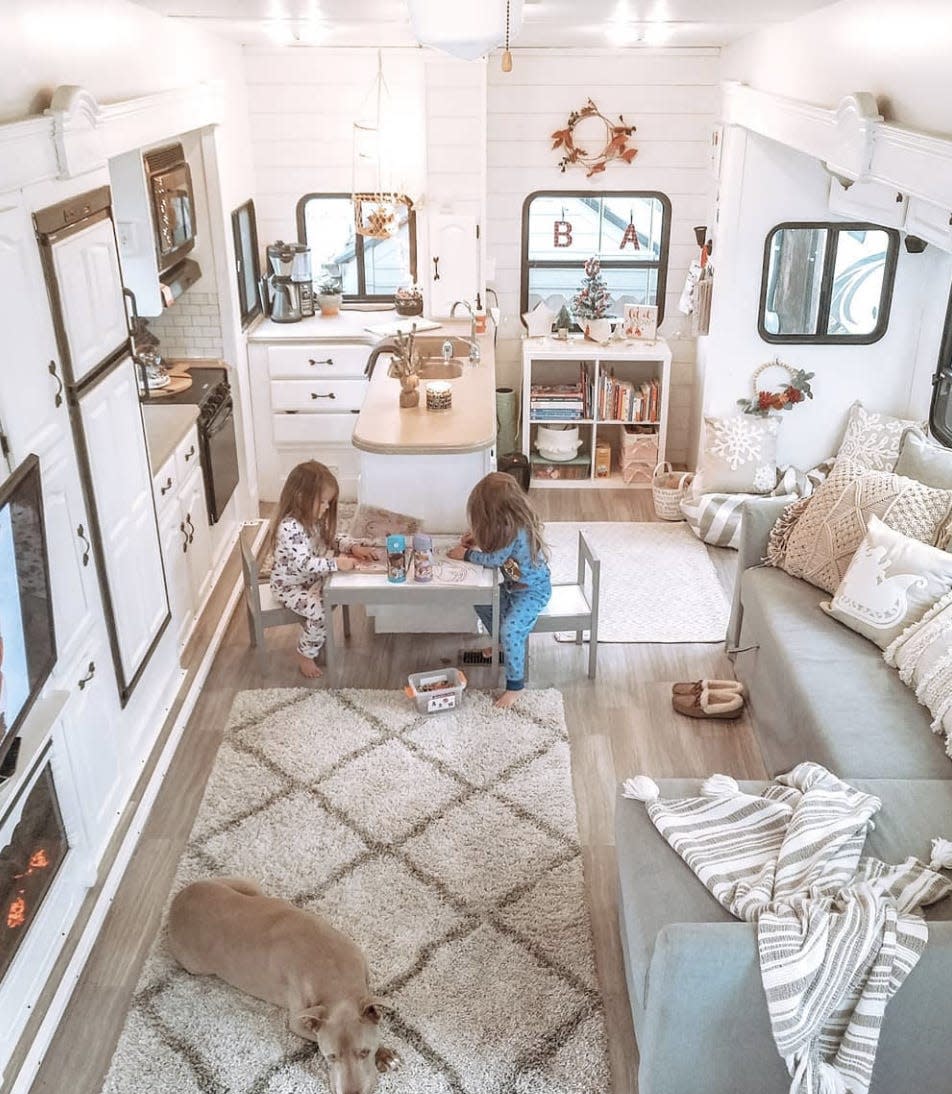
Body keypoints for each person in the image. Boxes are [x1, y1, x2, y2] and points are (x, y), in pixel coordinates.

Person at [448, 472, 551, 708]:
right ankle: (500, 643)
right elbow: (499, 546)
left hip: (533, 592)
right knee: (482, 601)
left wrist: (465, 554)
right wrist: (476, 538)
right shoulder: (509, 526)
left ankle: (515, 685)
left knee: (512, 630)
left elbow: (495, 559)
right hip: (514, 588)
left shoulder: (517, 531)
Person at [269, 461, 378, 678]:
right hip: (289, 587)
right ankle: (305, 654)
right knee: (319, 613)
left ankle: (318, 641)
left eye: (329, 502)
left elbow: (331, 539)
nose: (327, 508)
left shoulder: (313, 520)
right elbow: (305, 563)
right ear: (301, 497)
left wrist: (353, 547)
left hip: (309, 580)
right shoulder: (290, 528)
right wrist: (337, 563)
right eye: (323, 502)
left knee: (342, 587)